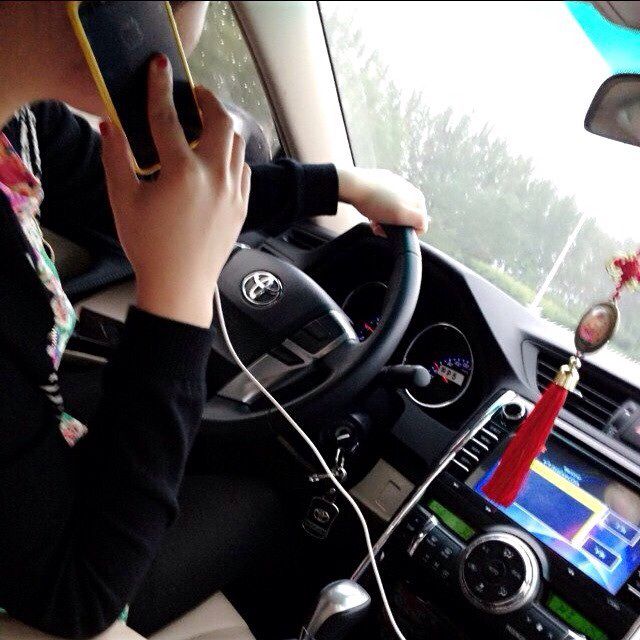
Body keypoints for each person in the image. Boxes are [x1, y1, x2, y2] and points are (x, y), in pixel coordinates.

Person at [0, 2, 428, 638]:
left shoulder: (19, 122)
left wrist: (336, 184)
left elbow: (127, 190)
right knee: (261, 506)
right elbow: (78, 593)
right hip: (57, 578)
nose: (191, 26)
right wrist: (181, 292)